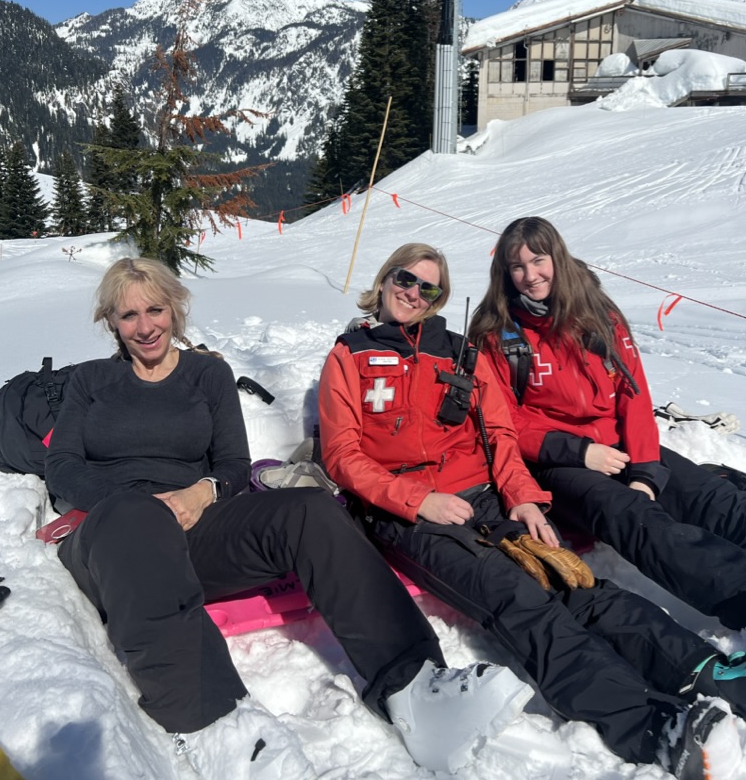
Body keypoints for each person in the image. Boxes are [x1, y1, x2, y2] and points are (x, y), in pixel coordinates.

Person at [44, 257, 526, 780]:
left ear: (174, 308)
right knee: (137, 520)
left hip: (195, 524)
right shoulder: (90, 382)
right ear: (111, 322)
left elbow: (232, 465)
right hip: (116, 539)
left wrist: (200, 493)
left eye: (155, 309)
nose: (144, 326)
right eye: (128, 315)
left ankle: (413, 686)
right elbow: (62, 467)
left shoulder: (209, 374)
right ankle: (214, 723)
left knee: (310, 510)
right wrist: (137, 502)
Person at [318, 242, 743, 780]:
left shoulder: (458, 352)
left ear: (439, 297)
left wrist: (524, 497)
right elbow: (341, 454)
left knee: (579, 583)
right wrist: (418, 500)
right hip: (410, 512)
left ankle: (705, 671)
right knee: (522, 601)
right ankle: (652, 728)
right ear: (384, 280)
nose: (413, 293)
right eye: (405, 279)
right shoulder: (347, 357)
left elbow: (500, 434)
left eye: (428, 287)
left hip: (488, 496)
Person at [469, 216, 746, 631]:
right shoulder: (498, 334)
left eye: (538, 261)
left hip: (619, 446)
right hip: (555, 461)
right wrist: (580, 452)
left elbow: (633, 395)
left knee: (708, 495)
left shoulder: (597, 315)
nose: (530, 276)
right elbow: (501, 421)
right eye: (517, 267)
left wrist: (647, 471)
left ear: (557, 258)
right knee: (636, 519)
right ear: (505, 273)